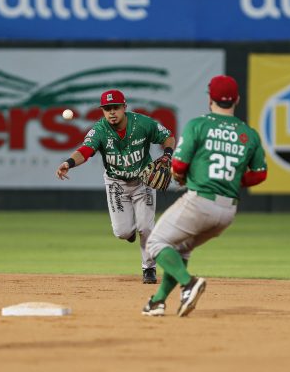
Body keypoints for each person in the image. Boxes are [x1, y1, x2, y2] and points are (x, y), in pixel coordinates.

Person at [141, 75, 267, 317]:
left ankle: (189, 284)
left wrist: (180, 178)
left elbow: (178, 165)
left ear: (210, 99)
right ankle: (157, 302)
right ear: (237, 100)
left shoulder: (198, 125)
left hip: (200, 202)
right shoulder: (248, 134)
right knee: (181, 250)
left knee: (155, 243)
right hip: (227, 212)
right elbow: (260, 174)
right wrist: (232, 180)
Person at [55, 89, 175, 284]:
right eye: (107, 109)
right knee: (122, 232)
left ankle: (149, 268)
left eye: (115, 108)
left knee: (146, 227)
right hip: (116, 184)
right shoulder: (100, 130)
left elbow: (168, 137)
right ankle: (129, 233)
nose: (111, 112)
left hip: (143, 180)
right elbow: (85, 150)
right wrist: (68, 163)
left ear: (124, 108)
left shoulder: (143, 123)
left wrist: (168, 154)